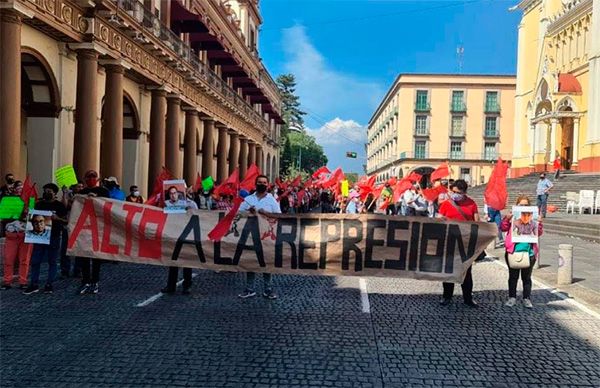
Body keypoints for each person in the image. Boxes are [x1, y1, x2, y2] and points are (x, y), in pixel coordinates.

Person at [437, 179, 480, 308]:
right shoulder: (446, 204)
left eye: (458, 192)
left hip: (465, 243)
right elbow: (439, 220)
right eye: (453, 191)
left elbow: (477, 222)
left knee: (467, 272)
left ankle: (468, 298)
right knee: (448, 270)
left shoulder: (472, 204)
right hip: (449, 241)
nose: (455, 194)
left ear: (465, 192)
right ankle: (447, 296)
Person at [238, 175, 281, 299]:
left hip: (266, 236)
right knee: (251, 261)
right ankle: (249, 288)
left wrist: (265, 213)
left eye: (264, 182)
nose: (262, 184)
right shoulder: (248, 199)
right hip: (250, 236)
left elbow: (278, 216)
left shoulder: (272, 200)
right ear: (255, 184)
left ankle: (268, 289)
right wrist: (248, 212)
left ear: (267, 185)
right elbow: (238, 214)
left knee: (266, 262)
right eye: (259, 182)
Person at [23, 183, 68, 295]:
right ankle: (34, 284)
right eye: (45, 191)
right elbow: (31, 217)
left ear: (54, 193)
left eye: (49, 191)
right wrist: (28, 213)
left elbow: (66, 221)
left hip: (54, 236)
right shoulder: (39, 204)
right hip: (39, 237)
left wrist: (57, 218)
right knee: (35, 261)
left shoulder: (60, 206)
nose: (46, 193)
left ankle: (49, 284)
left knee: (52, 261)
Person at [501, 195, 543, 308]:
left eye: (526, 205)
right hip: (513, 251)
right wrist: (507, 219)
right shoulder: (513, 217)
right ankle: (512, 297)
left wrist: (539, 223)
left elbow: (538, 232)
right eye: (521, 205)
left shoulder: (533, 219)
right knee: (513, 276)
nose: (523, 207)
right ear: (517, 205)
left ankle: (526, 298)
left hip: (529, 252)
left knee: (527, 277)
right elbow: (503, 228)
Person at [77, 170, 109, 294]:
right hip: (84, 229)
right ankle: (85, 281)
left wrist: (97, 199)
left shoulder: (104, 192)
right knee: (84, 257)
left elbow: (109, 206)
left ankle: (95, 281)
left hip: (98, 228)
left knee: (96, 257)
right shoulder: (82, 193)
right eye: (88, 176)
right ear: (85, 179)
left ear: (97, 178)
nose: (91, 178)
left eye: (93, 176)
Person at [160, 191, 198, 295]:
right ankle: (171, 286)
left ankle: (187, 286)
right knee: (173, 262)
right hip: (174, 235)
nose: (175, 195)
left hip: (187, 236)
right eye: (172, 193)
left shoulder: (191, 204)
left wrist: (188, 210)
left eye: (177, 193)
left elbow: (197, 216)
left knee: (187, 262)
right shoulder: (168, 204)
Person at [1, 181, 32, 290]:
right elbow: (3, 217)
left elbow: (34, 217)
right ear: (14, 189)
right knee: (8, 259)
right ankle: (7, 281)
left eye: (22, 189)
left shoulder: (31, 201)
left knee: (24, 260)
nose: (20, 190)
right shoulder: (7, 200)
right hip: (11, 235)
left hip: (25, 235)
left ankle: (23, 281)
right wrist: (17, 214)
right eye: (18, 188)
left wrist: (28, 212)